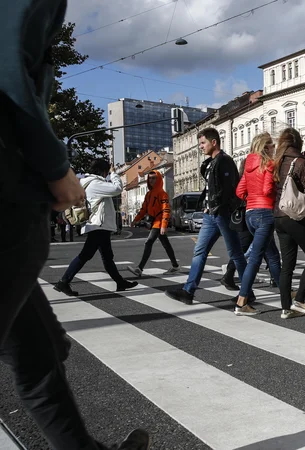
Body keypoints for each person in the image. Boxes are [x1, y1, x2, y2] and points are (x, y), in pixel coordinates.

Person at [0, 2, 151, 447]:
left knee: (40, 354)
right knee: (38, 355)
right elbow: (7, 68)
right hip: (8, 195)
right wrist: (55, 168)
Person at [166, 128, 247, 305]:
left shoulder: (225, 161)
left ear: (214, 142)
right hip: (211, 215)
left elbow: (228, 189)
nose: (200, 147)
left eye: (203, 143)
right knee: (200, 251)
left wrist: (218, 206)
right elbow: (211, 189)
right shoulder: (210, 163)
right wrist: (206, 205)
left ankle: (247, 293)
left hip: (222, 213)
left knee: (236, 253)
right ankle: (188, 291)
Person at [54, 158, 139, 296]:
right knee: (86, 255)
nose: (107, 175)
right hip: (98, 224)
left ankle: (120, 282)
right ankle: (63, 282)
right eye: (106, 172)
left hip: (98, 224)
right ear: (103, 171)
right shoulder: (95, 184)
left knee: (107, 256)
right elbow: (117, 188)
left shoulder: (85, 183)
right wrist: (114, 173)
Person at [232, 132, 283, 316]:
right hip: (264, 214)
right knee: (255, 259)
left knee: (273, 256)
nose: (274, 149)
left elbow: (239, 191)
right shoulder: (268, 164)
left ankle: (286, 294)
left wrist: (251, 198)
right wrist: (272, 190)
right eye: (272, 146)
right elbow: (267, 188)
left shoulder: (248, 165)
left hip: (250, 215)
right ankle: (241, 301)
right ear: (266, 147)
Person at [274, 128, 305, 319]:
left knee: (287, 265)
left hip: (278, 217)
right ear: (298, 143)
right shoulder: (300, 162)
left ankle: (285, 308)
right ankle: (299, 300)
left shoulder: (277, 162)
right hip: (294, 217)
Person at [127, 170, 180, 277]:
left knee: (149, 242)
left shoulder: (162, 193)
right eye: (150, 178)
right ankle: (175, 266)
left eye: (154, 178)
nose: (151, 180)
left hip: (159, 222)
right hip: (154, 222)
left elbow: (166, 210)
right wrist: (135, 220)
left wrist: (164, 225)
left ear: (159, 179)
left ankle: (139, 268)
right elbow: (143, 209)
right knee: (166, 244)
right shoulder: (148, 194)